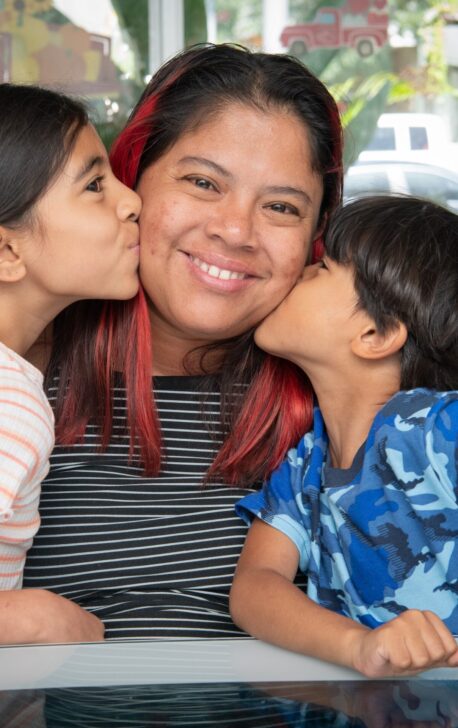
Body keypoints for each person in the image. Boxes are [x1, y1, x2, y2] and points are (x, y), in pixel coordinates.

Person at [19, 43, 344, 643]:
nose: (236, 230)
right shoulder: (22, 372)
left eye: (280, 206)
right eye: (202, 182)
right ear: (129, 181)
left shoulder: (344, 410)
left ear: (316, 236)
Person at [231, 195, 458, 678]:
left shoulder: (441, 429)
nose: (297, 274)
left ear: (375, 334)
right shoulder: (305, 464)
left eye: (321, 267)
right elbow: (255, 587)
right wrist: (359, 647)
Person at [0, 83, 141, 642]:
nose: (131, 200)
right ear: (7, 252)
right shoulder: (10, 408)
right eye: (93, 185)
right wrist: (30, 618)